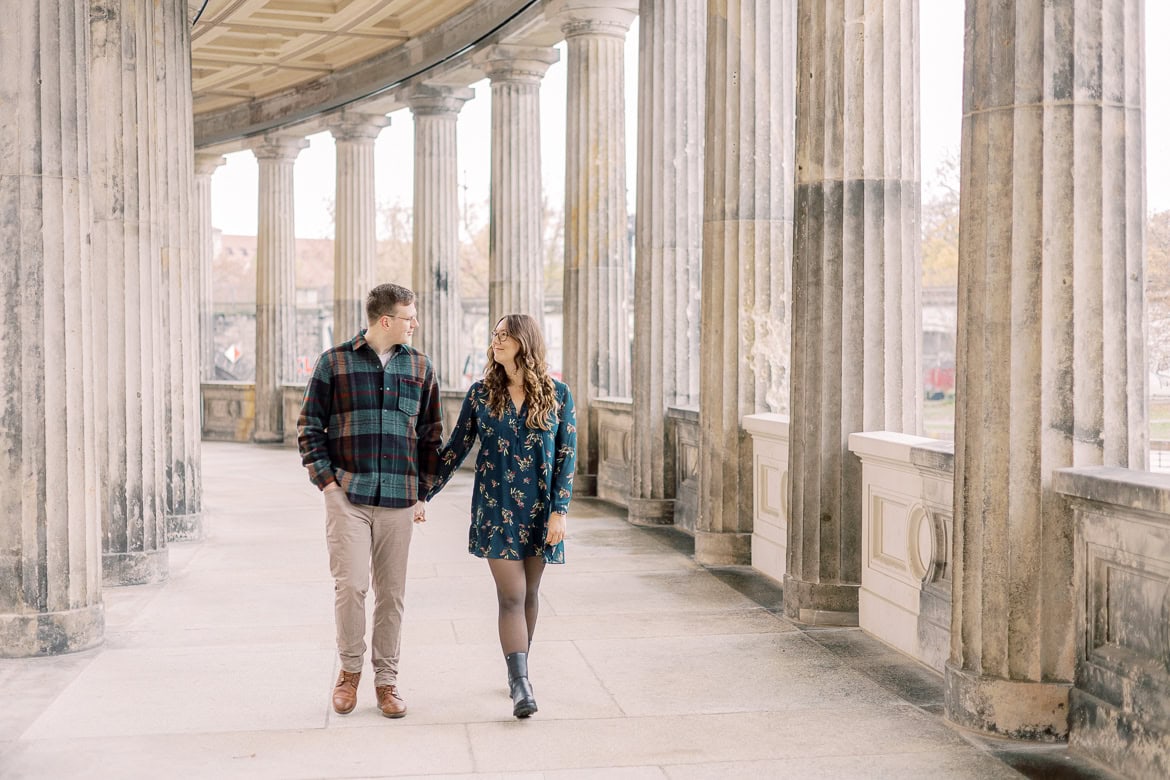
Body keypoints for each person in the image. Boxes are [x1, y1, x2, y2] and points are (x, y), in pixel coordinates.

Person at [297, 283, 442, 719]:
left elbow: (431, 435)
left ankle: (387, 681)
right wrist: (328, 485)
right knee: (351, 587)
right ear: (385, 320)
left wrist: (423, 492)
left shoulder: (420, 366)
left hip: (399, 499)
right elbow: (309, 428)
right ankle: (349, 673)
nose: (415, 323)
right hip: (349, 497)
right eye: (408, 316)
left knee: (392, 594)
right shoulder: (334, 362)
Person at [426, 313, 577, 719]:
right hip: (496, 511)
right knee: (510, 595)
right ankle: (521, 686)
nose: (496, 341)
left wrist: (560, 513)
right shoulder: (481, 395)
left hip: (540, 513)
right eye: (494, 335)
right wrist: (423, 494)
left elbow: (567, 456)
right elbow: (455, 451)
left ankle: (519, 667)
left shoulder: (558, 394)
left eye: (505, 335)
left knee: (529, 593)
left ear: (524, 342)